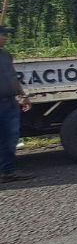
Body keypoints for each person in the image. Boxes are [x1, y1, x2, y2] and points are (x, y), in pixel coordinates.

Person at [0, 25, 34, 183]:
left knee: (9, 138)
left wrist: (23, 95)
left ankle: (7, 171)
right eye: (2, 35)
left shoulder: (5, 55)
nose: (5, 38)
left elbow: (12, 77)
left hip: (8, 102)